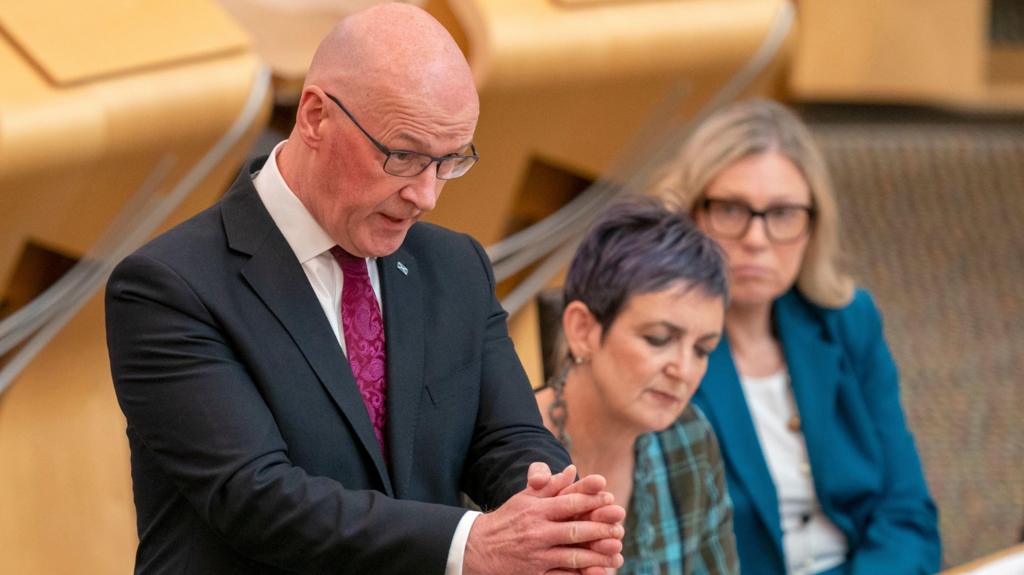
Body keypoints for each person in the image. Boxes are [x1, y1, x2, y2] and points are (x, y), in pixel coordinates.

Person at [105, 4, 625, 574]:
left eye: (449, 162)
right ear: (315, 117)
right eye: (404, 156)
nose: (426, 195)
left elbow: (506, 438)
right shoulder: (168, 287)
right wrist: (470, 544)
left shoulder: (455, 265)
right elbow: (256, 497)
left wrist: (555, 519)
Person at [654, 98, 941, 575]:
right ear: (689, 216)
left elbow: (906, 513)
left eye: (783, 213)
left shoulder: (849, 321)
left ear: (813, 225)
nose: (757, 239)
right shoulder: (656, 345)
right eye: (730, 209)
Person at [535, 199, 739, 574]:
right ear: (582, 330)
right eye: (659, 338)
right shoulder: (497, 454)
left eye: (702, 349)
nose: (684, 370)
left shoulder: (690, 435)